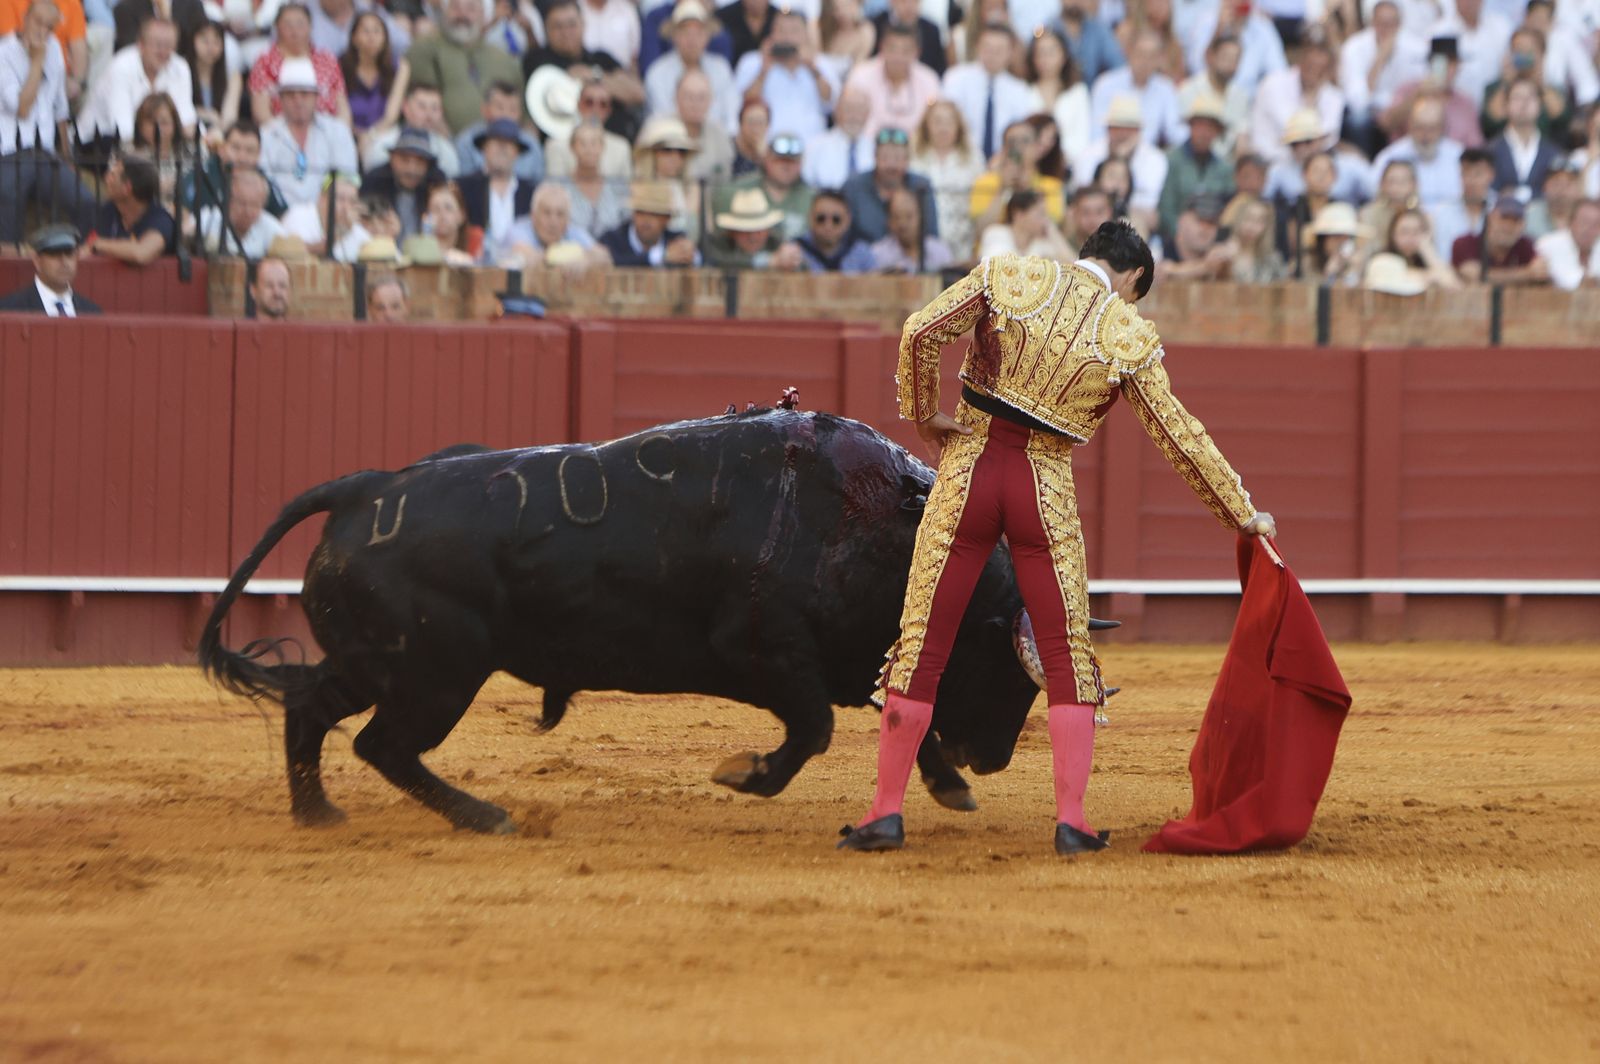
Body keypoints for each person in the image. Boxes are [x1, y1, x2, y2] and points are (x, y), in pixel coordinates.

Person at [838, 220, 1272, 855]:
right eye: (1134, 292)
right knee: (1066, 651)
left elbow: (918, 332)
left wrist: (923, 415)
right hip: (1043, 486)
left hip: (969, 471)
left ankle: (884, 814)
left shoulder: (1011, 273)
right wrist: (1242, 513)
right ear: (1131, 279)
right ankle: (1072, 822)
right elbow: (1179, 434)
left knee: (923, 640)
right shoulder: (1126, 331)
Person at [0, 0, 95, 243]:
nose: (42, 31)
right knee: (9, 202)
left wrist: (67, 156)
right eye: (38, 22)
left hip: (45, 153)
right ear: (25, 18)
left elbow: (60, 109)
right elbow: (22, 107)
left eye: (49, 27)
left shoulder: (53, 50)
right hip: (10, 152)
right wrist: (37, 61)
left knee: (84, 199)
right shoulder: (4, 52)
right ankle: (10, 265)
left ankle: (75, 255)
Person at [405, 0, 522, 135]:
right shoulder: (425, 48)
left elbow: (520, 111)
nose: (462, 15)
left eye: (471, 8)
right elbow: (422, 103)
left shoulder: (502, 58)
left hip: (500, 143)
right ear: (444, 11)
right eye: (455, 7)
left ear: (484, 15)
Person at [76, 15, 196, 144]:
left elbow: (186, 119)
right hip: (95, 147)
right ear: (141, 45)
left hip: (150, 147)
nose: (163, 52)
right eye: (158, 45)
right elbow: (122, 129)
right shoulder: (121, 67)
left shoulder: (180, 67)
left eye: (169, 46)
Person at [259, 57, 360, 206]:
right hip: (278, 216)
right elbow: (264, 181)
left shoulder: (338, 131)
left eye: (304, 94)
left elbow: (347, 178)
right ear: (280, 98)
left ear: (316, 97)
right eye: (291, 94)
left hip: (327, 214)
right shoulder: (267, 133)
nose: (298, 101)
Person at [732, 7, 838, 144]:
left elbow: (830, 102)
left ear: (806, 34)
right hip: (766, 147)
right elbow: (744, 104)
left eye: (794, 31)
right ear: (771, 33)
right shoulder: (752, 62)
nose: (787, 37)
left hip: (811, 145)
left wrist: (812, 68)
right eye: (781, 30)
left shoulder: (821, 64)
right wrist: (764, 69)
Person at [1338, 0, 1425, 155]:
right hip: (1369, 112)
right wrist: (1379, 60)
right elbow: (1358, 102)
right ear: (1372, 22)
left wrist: (1394, 113)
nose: (1386, 29)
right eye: (1381, 23)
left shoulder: (1416, 48)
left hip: (1402, 110)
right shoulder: (1353, 48)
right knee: (1357, 121)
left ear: (1400, 24)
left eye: (1392, 24)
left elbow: (1420, 89)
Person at [1072, 95, 1167, 234]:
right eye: (1117, 127)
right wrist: (1118, 157)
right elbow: (1081, 195)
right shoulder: (1087, 155)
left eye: (1129, 128)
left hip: (1133, 222)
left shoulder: (1155, 160)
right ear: (1108, 129)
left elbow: (1150, 207)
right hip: (1089, 222)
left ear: (1138, 131)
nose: (1122, 134)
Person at [942, 22, 1034, 162]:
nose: (993, 55)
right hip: (960, 160)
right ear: (977, 46)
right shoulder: (955, 78)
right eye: (988, 48)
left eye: (999, 50)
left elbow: (1022, 135)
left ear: (1010, 52)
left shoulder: (1020, 90)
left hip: (1003, 165)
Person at [248, 3, 351, 127]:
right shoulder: (264, 62)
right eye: (288, 24)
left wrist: (339, 134)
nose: (294, 30)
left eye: (300, 24)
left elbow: (343, 107)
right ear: (277, 27)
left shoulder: (328, 60)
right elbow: (261, 113)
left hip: (328, 132)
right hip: (280, 134)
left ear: (310, 26)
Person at [1247, 37, 1343, 167]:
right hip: (1269, 159)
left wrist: (1314, 95)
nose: (1314, 72)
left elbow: (1330, 136)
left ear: (1328, 71)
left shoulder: (1334, 96)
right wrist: (1311, 99)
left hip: (1311, 165)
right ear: (1301, 61)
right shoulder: (1274, 83)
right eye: (1310, 65)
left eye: (1320, 68)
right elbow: (1293, 130)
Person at [646, 0, 737, 132]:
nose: (692, 40)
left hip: (715, 142)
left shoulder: (721, 69)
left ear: (707, 37)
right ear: (674, 36)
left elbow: (731, 117)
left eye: (698, 33)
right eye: (685, 33)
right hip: (673, 143)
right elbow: (660, 118)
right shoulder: (657, 73)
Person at [1156, 93, 1232, 247]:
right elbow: (1166, 207)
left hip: (1212, 239)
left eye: (1210, 127)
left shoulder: (1224, 168)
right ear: (1191, 126)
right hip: (1175, 240)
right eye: (1200, 125)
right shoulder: (1171, 160)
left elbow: (1227, 210)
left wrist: (1211, 235)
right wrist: (1182, 234)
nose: (1204, 132)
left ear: (1217, 132)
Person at [912, 98, 982, 261]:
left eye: (949, 122)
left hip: (964, 246)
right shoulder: (914, 158)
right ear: (926, 126)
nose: (943, 128)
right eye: (937, 121)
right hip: (924, 247)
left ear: (959, 127)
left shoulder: (973, 159)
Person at [844, 23, 938, 144]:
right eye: (893, 49)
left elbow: (932, 122)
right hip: (867, 148)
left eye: (906, 51)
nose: (898, 56)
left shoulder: (929, 79)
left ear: (917, 52)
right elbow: (848, 117)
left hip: (916, 150)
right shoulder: (861, 75)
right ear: (881, 48)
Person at [840, 127, 936, 243]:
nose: (891, 165)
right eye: (885, 158)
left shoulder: (921, 186)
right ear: (874, 158)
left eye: (897, 158)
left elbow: (931, 235)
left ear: (907, 160)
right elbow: (842, 234)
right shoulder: (853, 186)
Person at [1090, 29, 1183, 148]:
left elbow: (1174, 131)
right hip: (1109, 153)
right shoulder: (1106, 84)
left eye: (1152, 56)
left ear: (1160, 60)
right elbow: (1097, 133)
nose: (1145, 62)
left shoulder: (1165, 89)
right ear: (1129, 53)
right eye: (1141, 54)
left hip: (1147, 157)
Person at [1371, 95, 1464, 213]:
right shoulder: (1391, 156)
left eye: (1432, 129)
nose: (1425, 135)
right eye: (1420, 128)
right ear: (1410, 126)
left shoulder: (1459, 156)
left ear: (1442, 128)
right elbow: (1375, 194)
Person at [456, 118, 532, 259]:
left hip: (520, 269)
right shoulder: (464, 187)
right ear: (484, 147)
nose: (502, 148)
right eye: (497, 142)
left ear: (517, 152)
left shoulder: (531, 192)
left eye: (509, 144)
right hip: (473, 268)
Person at [339, 10, 408, 152]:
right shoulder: (340, 66)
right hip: (347, 133)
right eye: (365, 31)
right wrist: (352, 135)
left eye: (377, 31)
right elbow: (340, 109)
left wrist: (370, 135)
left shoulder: (400, 66)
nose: (371, 37)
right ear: (353, 37)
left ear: (385, 37)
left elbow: (392, 115)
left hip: (383, 133)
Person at [188, 120, 289, 218]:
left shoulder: (263, 181)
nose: (242, 157)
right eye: (235, 148)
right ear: (221, 149)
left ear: (259, 155)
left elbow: (283, 216)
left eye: (250, 151)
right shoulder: (202, 175)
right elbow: (182, 213)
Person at [360, 125, 446, 238]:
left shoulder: (436, 184)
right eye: (405, 160)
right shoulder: (374, 182)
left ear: (428, 165)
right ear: (392, 158)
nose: (411, 169)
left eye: (419, 162)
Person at [89, 151, 174, 264]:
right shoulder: (108, 210)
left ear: (127, 188)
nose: (106, 178)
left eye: (112, 176)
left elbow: (141, 254)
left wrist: (98, 244)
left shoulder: (161, 219)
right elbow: (85, 249)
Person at [504, 179, 612, 269]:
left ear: (567, 220)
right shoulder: (518, 230)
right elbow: (527, 255)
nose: (553, 222)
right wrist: (572, 259)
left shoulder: (572, 231)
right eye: (547, 213)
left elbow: (605, 258)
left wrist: (587, 260)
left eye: (560, 214)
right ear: (533, 216)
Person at [724, 131, 812, 239]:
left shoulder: (813, 198)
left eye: (793, 162)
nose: (786, 167)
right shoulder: (737, 190)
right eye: (780, 161)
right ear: (767, 159)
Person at [453, 80, 543, 183]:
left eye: (513, 109)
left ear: (520, 113)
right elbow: (463, 184)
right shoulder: (467, 142)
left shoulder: (531, 144)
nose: (506, 115)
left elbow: (538, 185)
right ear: (484, 109)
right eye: (500, 107)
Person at [0, 223, 101, 314]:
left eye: (69, 254)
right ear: (37, 261)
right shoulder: (9, 309)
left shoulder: (92, 311)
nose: (64, 262)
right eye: (54, 254)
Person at [1487, 77, 1561, 201]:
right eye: (1517, 98)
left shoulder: (1554, 153)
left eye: (1530, 98)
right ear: (1506, 106)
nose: (1524, 104)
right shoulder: (1490, 151)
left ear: (1540, 106)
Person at [1026, 26, 1091, 165]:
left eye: (1051, 53)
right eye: (1040, 53)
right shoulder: (1023, 91)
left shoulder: (1078, 92)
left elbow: (1081, 140)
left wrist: (1054, 155)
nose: (1045, 59)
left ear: (1064, 55)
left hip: (1068, 167)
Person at [361, 83, 459, 175]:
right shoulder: (384, 143)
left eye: (435, 108)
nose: (429, 115)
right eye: (422, 107)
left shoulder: (447, 151)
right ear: (405, 107)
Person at [1178, 32, 1249, 158]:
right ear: (1211, 57)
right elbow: (1180, 134)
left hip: (1226, 164)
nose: (1230, 65)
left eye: (1235, 60)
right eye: (1225, 57)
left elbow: (1242, 134)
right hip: (1192, 157)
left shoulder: (1241, 96)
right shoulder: (1188, 90)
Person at [598, 179, 700, 266]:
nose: (646, 220)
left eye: (653, 213)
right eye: (641, 212)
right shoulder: (612, 240)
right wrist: (661, 256)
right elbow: (617, 262)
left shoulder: (675, 239)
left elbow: (706, 261)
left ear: (666, 219)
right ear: (633, 214)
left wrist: (690, 254)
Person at [1363, 206, 1461, 294]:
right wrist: (1429, 277)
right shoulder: (1381, 258)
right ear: (1392, 234)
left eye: (1416, 232)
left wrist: (1427, 249)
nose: (1410, 238)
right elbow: (1395, 281)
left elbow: (1455, 287)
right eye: (1404, 232)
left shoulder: (1429, 261)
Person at [1450, 196, 1543, 284]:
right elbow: (1473, 275)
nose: (1508, 226)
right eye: (1504, 218)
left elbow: (1541, 272)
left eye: (1515, 220)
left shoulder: (1525, 245)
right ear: (1490, 218)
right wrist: (1527, 273)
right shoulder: (1465, 243)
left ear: (1523, 225)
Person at [560, 122, 630, 238]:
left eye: (594, 143)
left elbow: (627, 225)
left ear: (602, 147)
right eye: (582, 144)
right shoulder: (560, 189)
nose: (589, 149)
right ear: (572, 147)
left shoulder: (618, 188)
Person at [279, 171, 369, 259]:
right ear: (322, 198)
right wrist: (340, 234)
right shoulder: (299, 216)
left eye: (352, 201)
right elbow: (298, 254)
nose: (346, 207)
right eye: (340, 199)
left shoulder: (357, 231)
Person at [200, 166, 286, 256]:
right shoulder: (208, 220)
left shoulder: (271, 228)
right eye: (242, 203)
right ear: (228, 201)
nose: (248, 211)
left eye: (254, 205)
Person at [707, 185, 799, 268]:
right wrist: (768, 261)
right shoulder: (717, 244)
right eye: (745, 230)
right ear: (732, 231)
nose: (753, 237)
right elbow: (715, 260)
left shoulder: (776, 243)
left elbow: (803, 265)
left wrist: (791, 258)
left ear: (768, 229)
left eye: (759, 230)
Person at [803, 84, 873, 189]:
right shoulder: (816, 146)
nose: (854, 116)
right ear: (836, 111)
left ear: (868, 114)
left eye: (859, 110)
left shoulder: (875, 149)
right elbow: (807, 184)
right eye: (849, 109)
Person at [871, 185, 953, 272]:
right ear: (889, 221)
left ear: (921, 217)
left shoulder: (940, 252)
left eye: (909, 216)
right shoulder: (877, 255)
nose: (902, 224)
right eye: (897, 217)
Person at [793, 188, 874, 271]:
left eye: (836, 220)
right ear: (810, 218)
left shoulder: (862, 253)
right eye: (821, 218)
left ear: (848, 220)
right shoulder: (795, 251)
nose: (828, 226)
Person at [186, 18, 243, 137]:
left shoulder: (232, 76)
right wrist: (206, 114)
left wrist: (219, 130)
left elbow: (230, 116)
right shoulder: (182, 70)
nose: (211, 48)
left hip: (219, 134)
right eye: (205, 41)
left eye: (216, 42)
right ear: (193, 41)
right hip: (190, 131)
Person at [977, 187, 1072, 257]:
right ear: (1019, 214)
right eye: (1040, 214)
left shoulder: (1041, 244)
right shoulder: (995, 233)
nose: (1045, 221)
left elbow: (1073, 268)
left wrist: (1052, 231)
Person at [676, 68, 734, 182]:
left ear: (710, 100)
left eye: (701, 98)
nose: (695, 103)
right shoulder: (657, 131)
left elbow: (725, 181)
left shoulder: (721, 136)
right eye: (689, 96)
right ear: (676, 98)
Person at [1532, 197, 1600, 290]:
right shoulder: (1548, 243)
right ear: (1571, 222)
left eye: (1596, 224)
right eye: (1585, 222)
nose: (1589, 229)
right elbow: (1566, 282)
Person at [869, 0, 944, 76]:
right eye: (904, 1)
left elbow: (939, 68)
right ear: (891, 1)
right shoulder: (874, 26)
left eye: (915, 1)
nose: (909, 6)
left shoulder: (931, 30)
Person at [1222, 197, 1287, 283]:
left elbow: (1284, 288)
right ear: (1238, 219)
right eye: (1248, 218)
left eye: (1259, 221)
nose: (1252, 226)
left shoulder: (1273, 259)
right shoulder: (1223, 253)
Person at [1061, 184, 1112, 256]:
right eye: (1086, 212)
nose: (1093, 219)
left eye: (1099, 212)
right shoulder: (1062, 247)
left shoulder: (1121, 250)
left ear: (1109, 212)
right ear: (1074, 213)